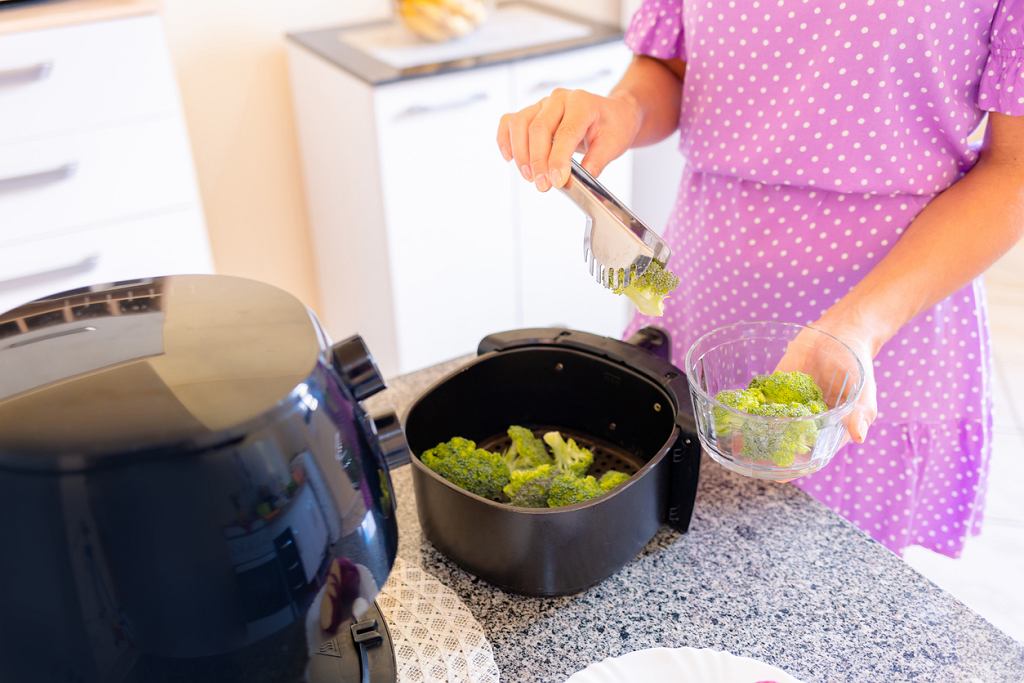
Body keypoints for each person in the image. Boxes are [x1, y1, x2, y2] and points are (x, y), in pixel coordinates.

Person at [496, 0, 1024, 556]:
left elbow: (1012, 169)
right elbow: (672, 69)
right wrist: (620, 109)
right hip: (707, 294)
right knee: (686, 562)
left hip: (885, 320)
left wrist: (860, 325)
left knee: (843, 592)